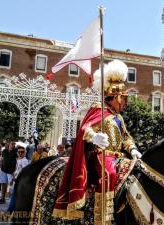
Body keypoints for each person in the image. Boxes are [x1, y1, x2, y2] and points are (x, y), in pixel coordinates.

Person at [53, 60, 141, 225]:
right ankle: (103, 218)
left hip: (120, 156)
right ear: (116, 97)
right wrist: (94, 137)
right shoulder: (99, 109)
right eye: (124, 98)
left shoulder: (118, 117)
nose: (126, 102)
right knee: (109, 173)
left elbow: (126, 137)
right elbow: (84, 129)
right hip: (102, 154)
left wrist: (133, 149)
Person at [7, 146, 29, 213]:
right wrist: (12, 179)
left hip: (20, 181)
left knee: (14, 196)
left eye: (22, 152)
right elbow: (16, 170)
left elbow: (24, 172)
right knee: (15, 197)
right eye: (19, 152)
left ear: (25, 153)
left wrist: (17, 179)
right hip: (15, 180)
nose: (20, 153)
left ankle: (9, 212)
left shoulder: (25, 160)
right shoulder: (17, 160)